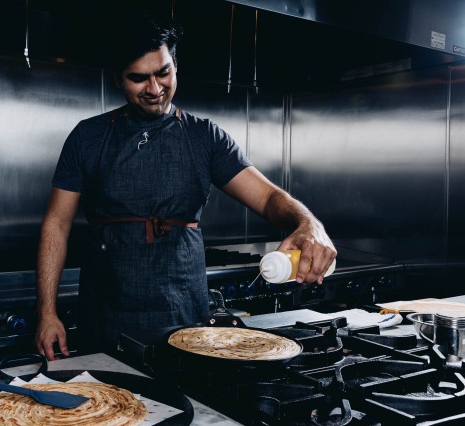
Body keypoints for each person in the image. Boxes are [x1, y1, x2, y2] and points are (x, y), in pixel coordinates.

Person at [35, 10, 337, 361]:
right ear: (118, 79)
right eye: (139, 78)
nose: (155, 88)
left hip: (185, 320)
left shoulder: (205, 137)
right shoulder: (87, 137)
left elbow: (268, 197)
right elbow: (56, 224)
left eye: (163, 72)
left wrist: (308, 224)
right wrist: (46, 313)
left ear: (175, 65)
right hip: (105, 318)